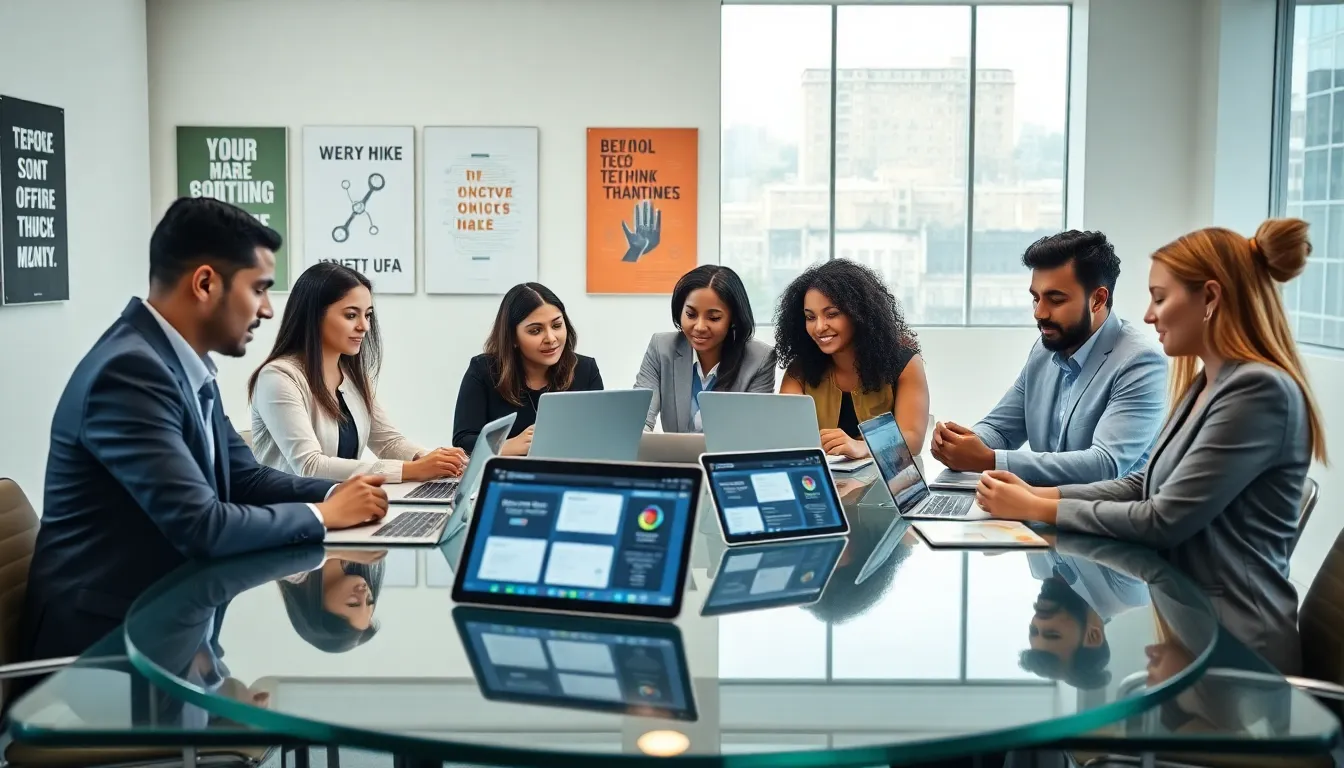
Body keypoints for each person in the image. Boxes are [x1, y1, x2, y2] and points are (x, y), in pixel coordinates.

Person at [17, 198, 389, 669]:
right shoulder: (129, 373)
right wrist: (323, 515)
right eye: (258, 289)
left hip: (170, 623)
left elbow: (246, 479)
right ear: (206, 283)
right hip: (103, 653)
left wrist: (343, 494)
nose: (269, 311)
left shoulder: (183, 366)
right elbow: (202, 526)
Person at [976, 218, 1327, 675]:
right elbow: (1144, 485)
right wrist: (1036, 497)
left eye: (1160, 298)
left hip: (1235, 656)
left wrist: (1042, 508)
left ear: (1211, 299)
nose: (1147, 314)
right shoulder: (1210, 382)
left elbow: (1162, 520)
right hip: (1188, 626)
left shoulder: (1257, 392)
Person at [931, 231, 1167, 486]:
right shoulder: (1045, 350)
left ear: (1098, 299)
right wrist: (963, 443)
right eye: (1036, 298)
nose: (1039, 312)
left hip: (1101, 520)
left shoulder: (1141, 362)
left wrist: (988, 459)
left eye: (1055, 300)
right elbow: (1000, 429)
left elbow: (1105, 464)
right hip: (1036, 509)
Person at [248, 262, 467, 483]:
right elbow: (310, 466)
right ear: (314, 316)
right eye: (351, 315)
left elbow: (389, 443)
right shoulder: (277, 378)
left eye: (368, 315)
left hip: (341, 503)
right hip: (292, 510)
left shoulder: (352, 377)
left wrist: (434, 459)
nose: (364, 326)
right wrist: (413, 470)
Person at [775, 259, 929, 458]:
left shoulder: (904, 364)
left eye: (832, 314)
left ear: (860, 314)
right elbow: (787, 435)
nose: (819, 327)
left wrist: (864, 447)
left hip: (883, 485)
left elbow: (913, 438)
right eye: (810, 317)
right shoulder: (800, 369)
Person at [452, 283, 603, 455]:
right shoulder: (484, 370)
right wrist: (505, 446)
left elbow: (598, 437)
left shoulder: (585, 369)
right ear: (513, 337)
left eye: (556, 326)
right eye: (536, 331)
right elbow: (463, 441)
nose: (551, 338)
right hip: (505, 475)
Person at [634, 265, 777, 432]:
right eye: (691, 315)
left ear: (733, 319)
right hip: (672, 458)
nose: (700, 327)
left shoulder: (760, 360)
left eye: (713, 318)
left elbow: (754, 431)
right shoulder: (661, 348)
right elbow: (639, 420)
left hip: (727, 458)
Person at [278, 549, 386, 653]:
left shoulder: (291, 567)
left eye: (353, 603)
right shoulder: (358, 555)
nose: (363, 593)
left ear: (321, 611)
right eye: (369, 600)